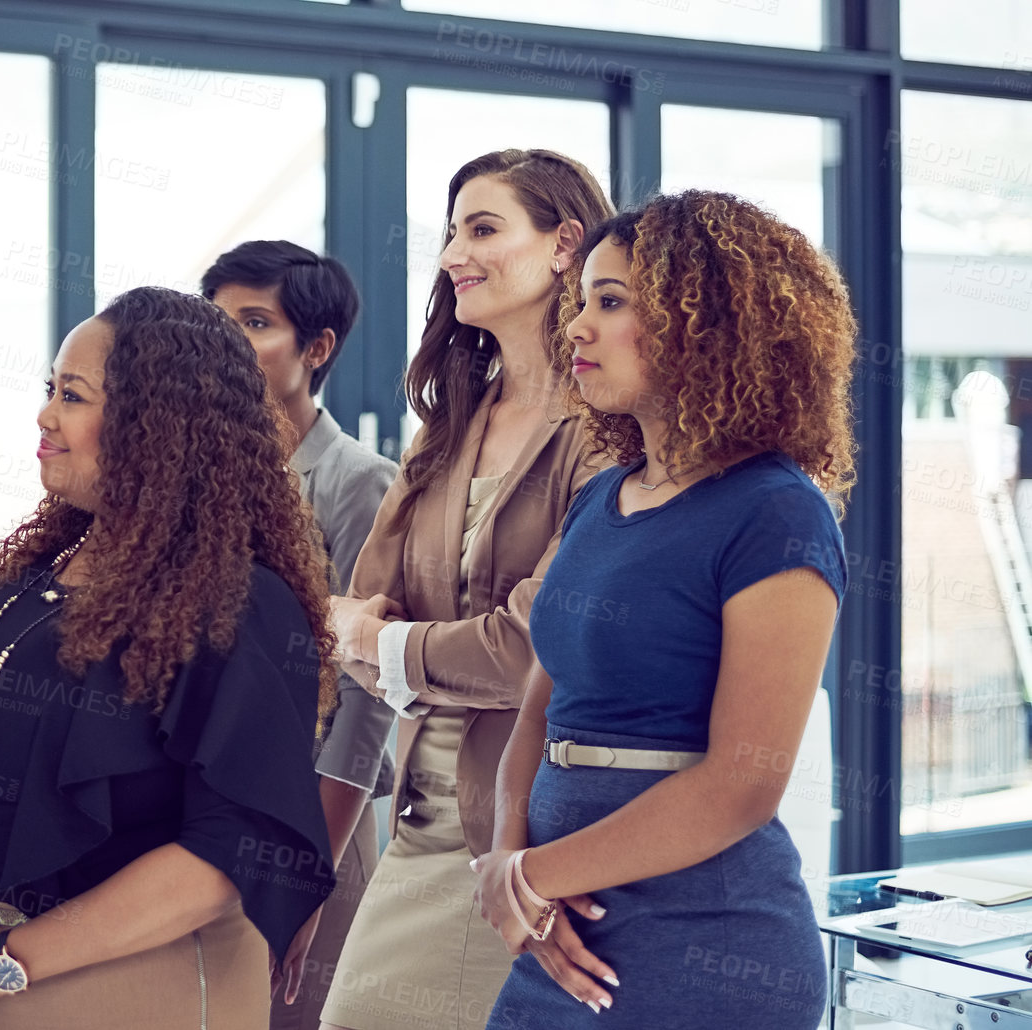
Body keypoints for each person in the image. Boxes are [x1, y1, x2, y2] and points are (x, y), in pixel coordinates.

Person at [0, 286, 339, 1028]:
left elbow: (228, 851)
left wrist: (9, 958)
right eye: (50, 390)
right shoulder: (23, 586)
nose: (45, 416)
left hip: (131, 987)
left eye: (73, 395)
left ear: (155, 426)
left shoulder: (237, 603)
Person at [475, 190, 852, 1028]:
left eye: (609, 303)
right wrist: (510, 866)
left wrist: (533, 878)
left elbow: (741, 786)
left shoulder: (776, 512)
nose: (576, 327)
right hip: (559, 927)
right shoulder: (600, 498)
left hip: (708, 953)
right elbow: (538, 708)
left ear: (707, 326)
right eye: (582, 303)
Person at [318, 149, 612, 1030]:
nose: (452, 254)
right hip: (416, 817)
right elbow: (358, 617)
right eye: (451, 232)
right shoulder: (449, 425)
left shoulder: (605, 432)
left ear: (565, 244)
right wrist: (382, 644)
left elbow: (535, 648)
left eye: (482, 229)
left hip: (520, 839)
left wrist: (382, 643)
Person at [200, 240, 400, 1029]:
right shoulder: (198, 478)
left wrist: (305, 870)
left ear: (316, 348)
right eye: (218, 322)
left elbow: (365, 699)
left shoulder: (360, 481)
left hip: (310, 820)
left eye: (254, 323)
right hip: (206, 814)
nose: (229, 343)